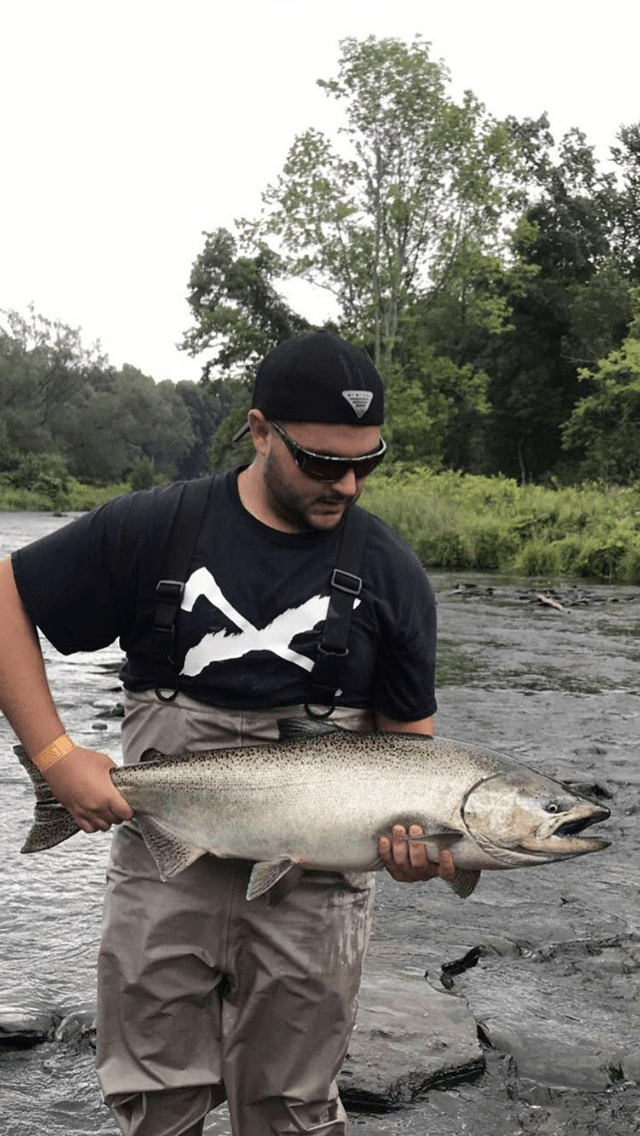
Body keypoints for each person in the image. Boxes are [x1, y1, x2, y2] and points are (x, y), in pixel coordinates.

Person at [0, 330, 455, 1136]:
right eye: (322, 462)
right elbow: (8, 596)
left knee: (292, 1110)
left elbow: (409, 756)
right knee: (156, 1100)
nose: (348, 485)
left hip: (315, 886)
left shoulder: (392, 573)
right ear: (259, 431)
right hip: (164, 860)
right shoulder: (153, 527)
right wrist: (58, 757)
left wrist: (418, 848)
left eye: (368, 463)